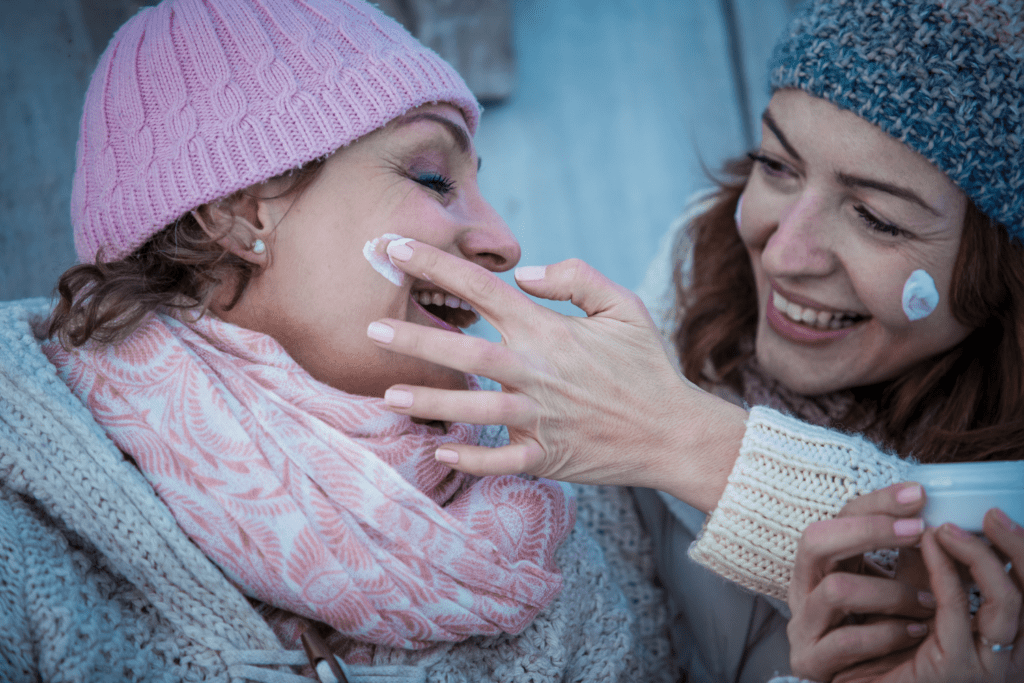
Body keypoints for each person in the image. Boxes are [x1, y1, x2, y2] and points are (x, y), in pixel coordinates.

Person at [0, 0, 678, 680]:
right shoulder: (22, 541)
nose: (502, 240)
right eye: (434, 178)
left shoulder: (539, 524)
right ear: (239, 217)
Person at [363, 0, 1024, 681]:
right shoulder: (682, 312)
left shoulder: (643, 407)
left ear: (1001, 265)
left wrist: (680, 436)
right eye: (776, 165)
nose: (785, 252)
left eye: (875, 218)